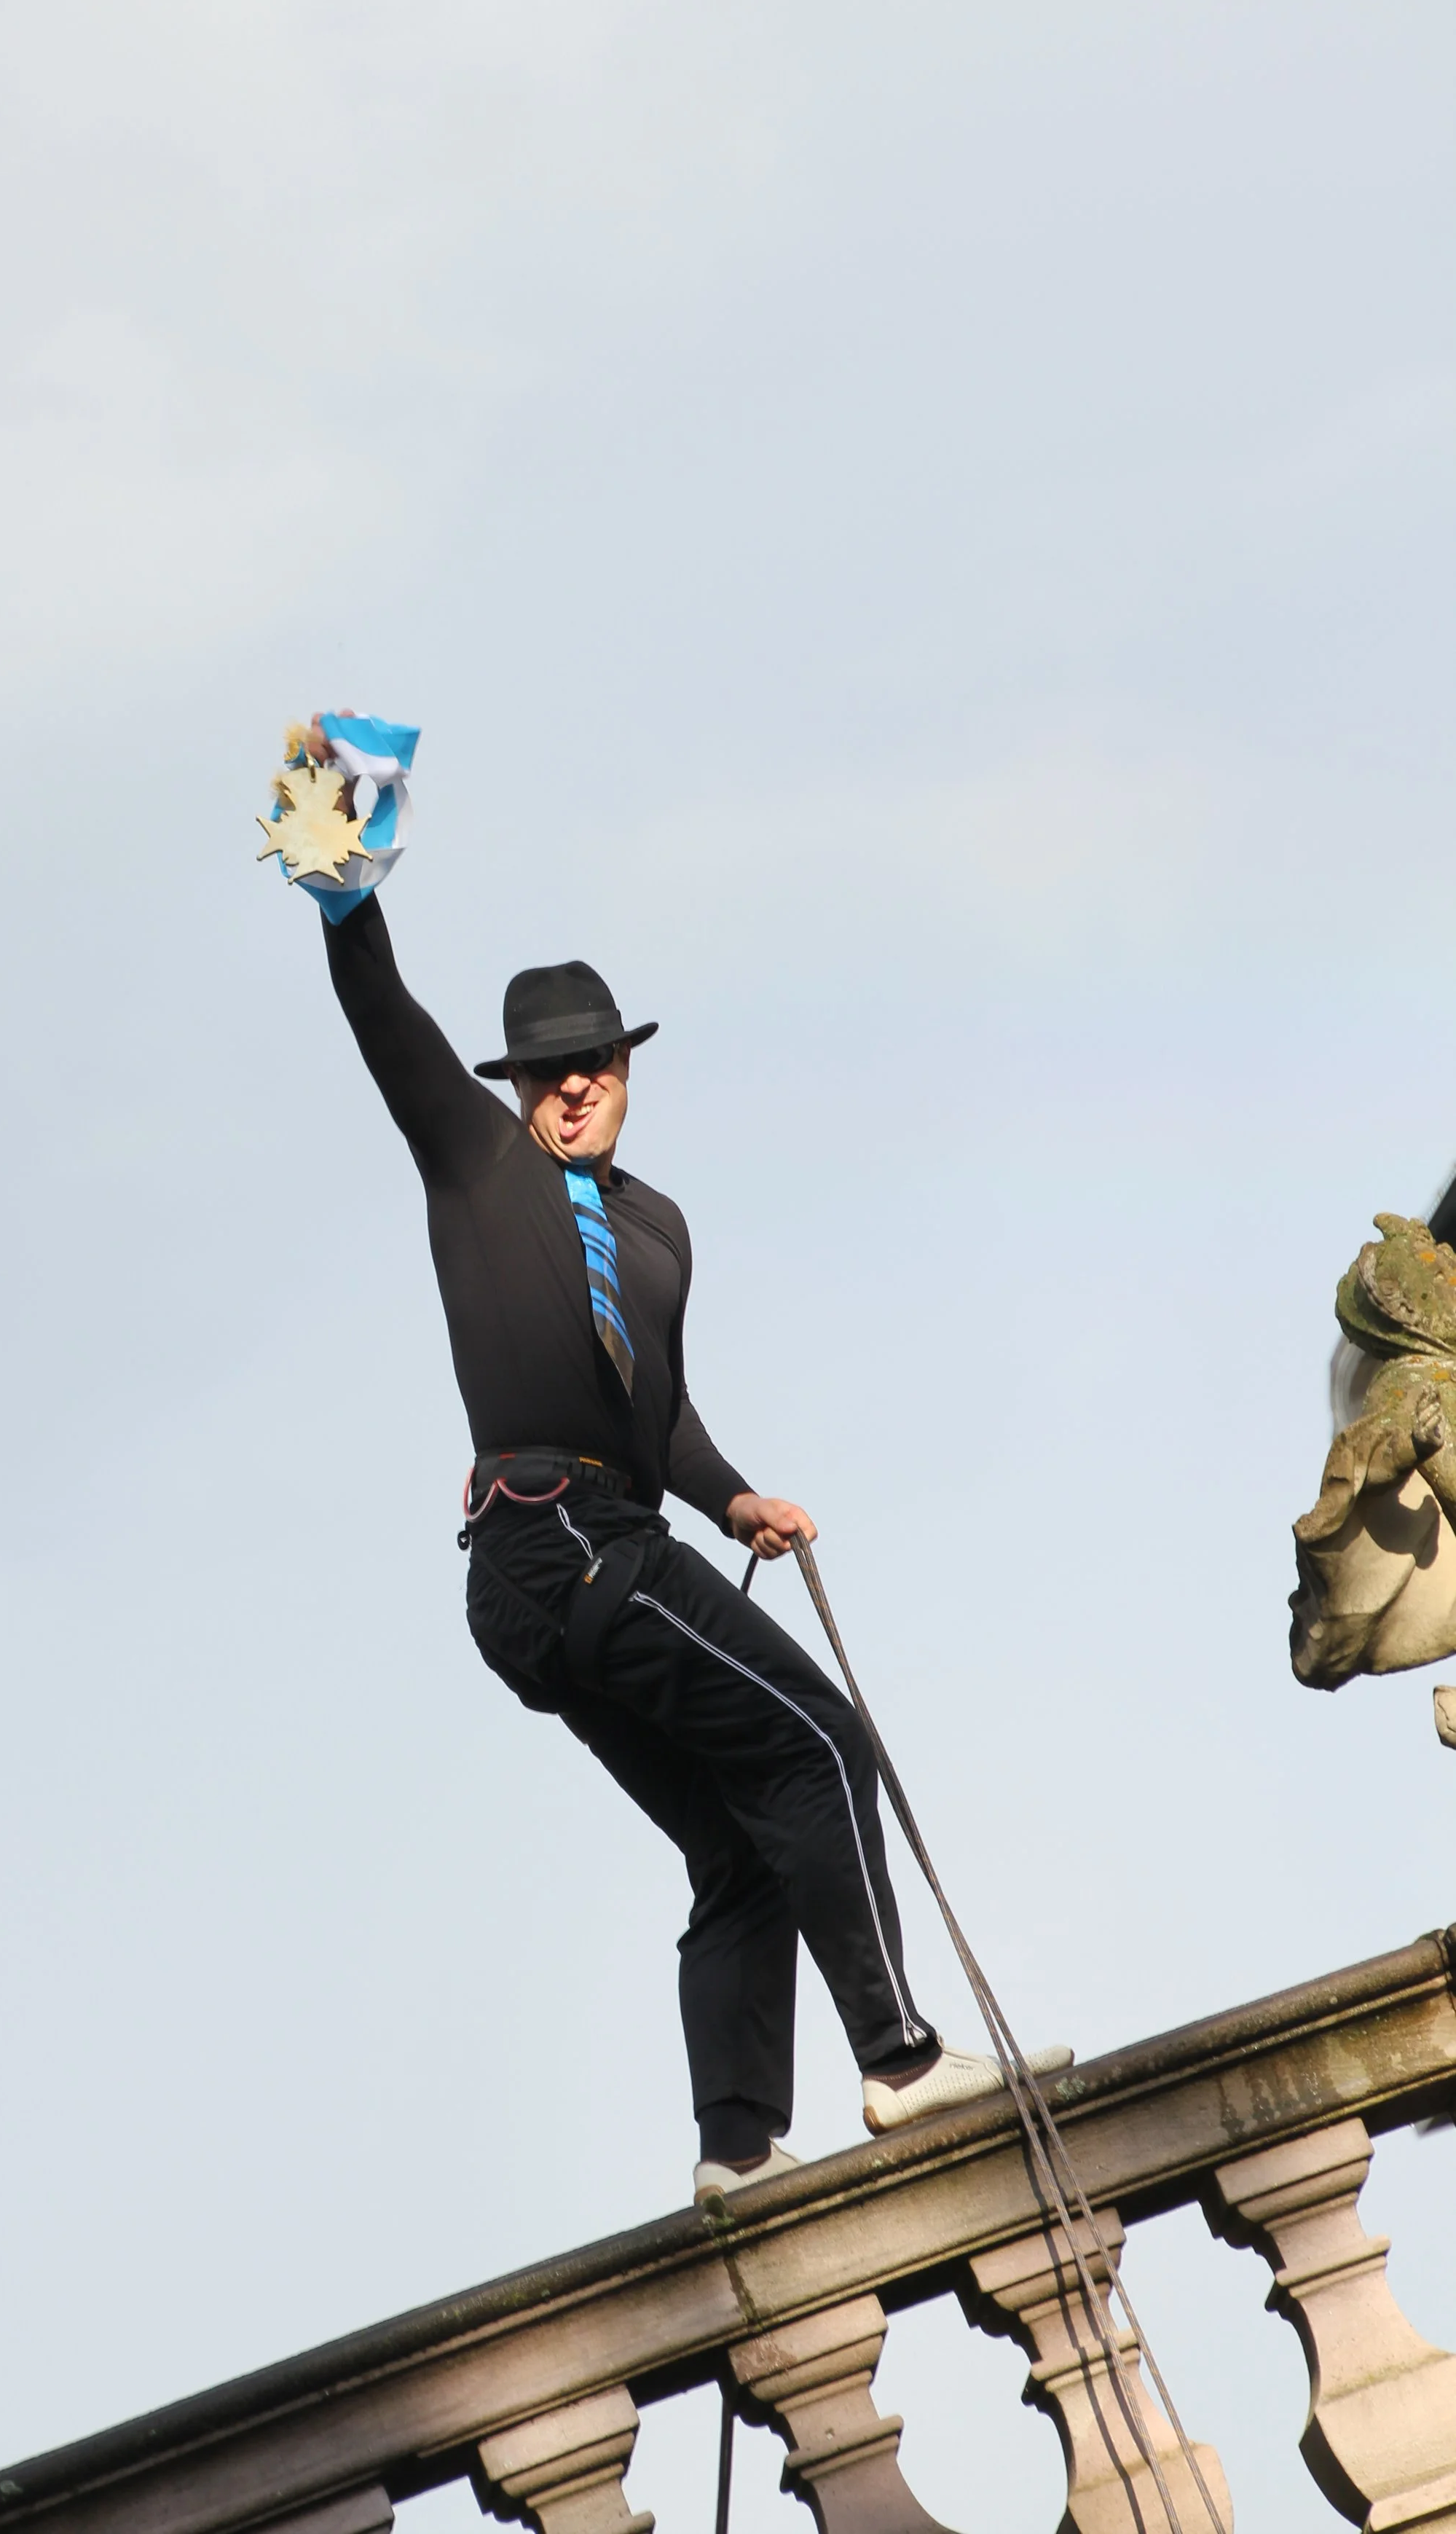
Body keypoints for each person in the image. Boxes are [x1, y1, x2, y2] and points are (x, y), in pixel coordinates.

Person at [310, 740, 1066, 2197]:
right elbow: (376, 1010)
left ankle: (733, 2154)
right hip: (554, 1550)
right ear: (512, 1082)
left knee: (736, 1841)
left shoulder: (656, 1228)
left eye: (591, 1063)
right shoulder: (473, 1161)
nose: (571, 1085)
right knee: (823, 1746)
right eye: (545, 1069)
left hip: (605, 1540)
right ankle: (902, 2061)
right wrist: (343, 880)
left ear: (625, 1069)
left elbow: (657, 1415)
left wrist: (730, 1498)